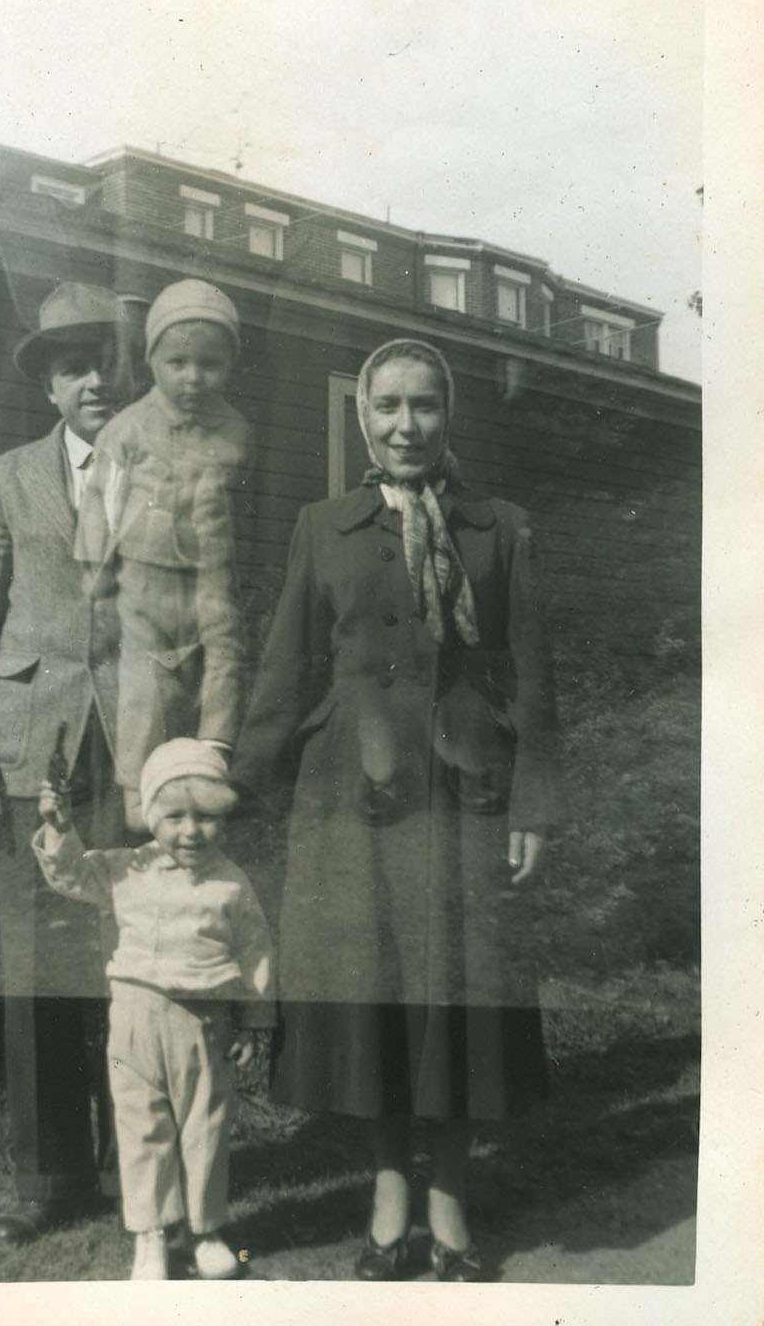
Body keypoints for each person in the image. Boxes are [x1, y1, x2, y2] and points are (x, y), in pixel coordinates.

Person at [231, 338, 561, 1282]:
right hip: (351, 793)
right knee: (372, 995)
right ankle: (387, 1196)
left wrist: (535, 802)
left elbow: (533, 677)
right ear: (363, 417)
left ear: (447, 416)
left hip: (465, 793)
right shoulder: (323, 525)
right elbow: (285, 669)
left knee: (456, 996)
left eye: (424, 406)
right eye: (388, 406)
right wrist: (235, 788)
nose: (406, 425)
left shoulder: (500, 528)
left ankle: (449, 1198)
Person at [0, 281, 134, 1243]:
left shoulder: (166, 473)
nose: (93, 379)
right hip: (31, 749)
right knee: (38, 962)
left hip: (136, 748)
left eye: (105, 361)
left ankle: (142, 1170)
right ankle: (48, 1178)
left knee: (136, 959)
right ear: (50, 387)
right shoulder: (4, 478)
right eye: (72, 367)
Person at [33, 737, 275, 1281]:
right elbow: (70, 876)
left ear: (223, 818)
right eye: (174, 817)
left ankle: (206, 1231)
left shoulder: (231, 883)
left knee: (205, 1127)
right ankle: (151, 1235)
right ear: (149, 815)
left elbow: (256, 952)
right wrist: (59, 827)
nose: (190, 831)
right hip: (135, 1020)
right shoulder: (126, 868)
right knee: (142, 1127)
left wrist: (254, 1020)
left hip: (204, 1023)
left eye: (206, 817)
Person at [75, 279, 252, 830]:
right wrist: (95, 573)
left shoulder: (236, 432)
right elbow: (100, 503)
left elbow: (244, 507)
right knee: (143, 678)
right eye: (178, 363)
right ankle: (136, 787)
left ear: (229, 366)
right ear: (153, 360)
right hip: (143, 576)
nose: (193, 377)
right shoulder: (127, 429)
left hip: (211, 574)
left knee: (222, 656)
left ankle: (213, 756)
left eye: (209, 364)